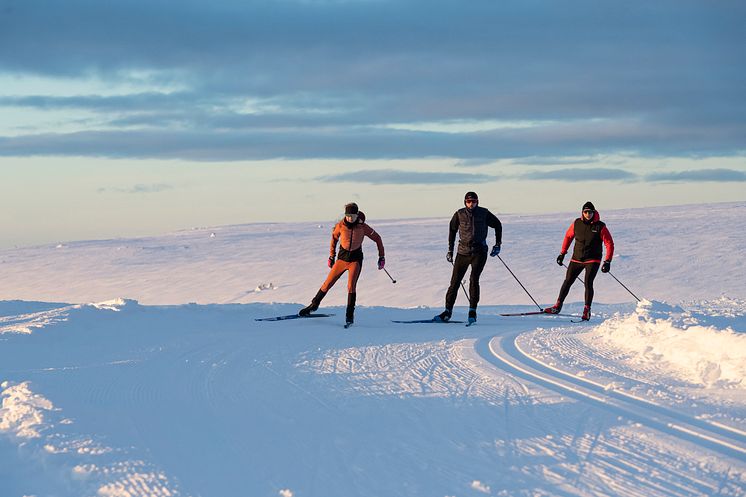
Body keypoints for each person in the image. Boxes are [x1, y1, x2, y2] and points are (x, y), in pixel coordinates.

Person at [299, 202, 385, 326]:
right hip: (342, 259)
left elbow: (378, 238)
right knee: (327, 283)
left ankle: (349, 316)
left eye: (352, 216)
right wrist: (331, 255)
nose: (349, 218)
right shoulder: (341, 225)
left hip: (355, 260)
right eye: (347, 215)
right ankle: (313, 306)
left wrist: (381, 257)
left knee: (351, 287)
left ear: (357, 215)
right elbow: (334, 238)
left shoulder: (363, 227)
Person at [434, 191, 502, 325]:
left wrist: (498, 244)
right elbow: (452, 231)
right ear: (465, 202)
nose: (471, 204)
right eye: (469, 201)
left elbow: (498, 225)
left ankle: (472, 312)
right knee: (454, 282)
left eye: (474, 201)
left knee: (473, 280)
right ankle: (447, 312)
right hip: (463, 252)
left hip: (479, 252)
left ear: (478, 202)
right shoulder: (459, 214)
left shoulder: (484, 213)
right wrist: (450, 250)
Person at [544, 201, 614, 321]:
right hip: (577, 258)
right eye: (586, 212)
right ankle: (557, 306)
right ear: (582, 212)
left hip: (593, 259)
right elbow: (568, 236)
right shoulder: (577, 223)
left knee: (588, 283)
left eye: (590, 212)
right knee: (568, 281)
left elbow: (609, 243)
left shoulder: (600, 226)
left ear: (594, 212)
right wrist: (562, 253)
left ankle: (587, 310)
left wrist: (607, 261)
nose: (588, 214)